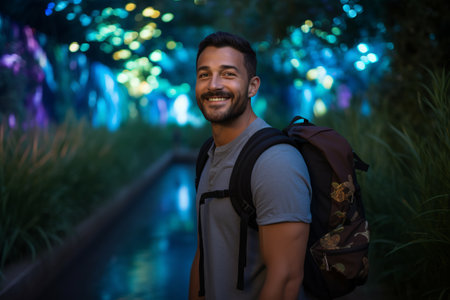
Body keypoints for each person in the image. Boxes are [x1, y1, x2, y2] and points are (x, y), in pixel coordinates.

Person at [189, 31, 312, 300]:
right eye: (204, 74)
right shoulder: (208, 154)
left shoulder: (275, 162)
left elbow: (286, 280)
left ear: (252, 86)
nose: (214, 85)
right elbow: (204, 253)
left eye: (228, 74)